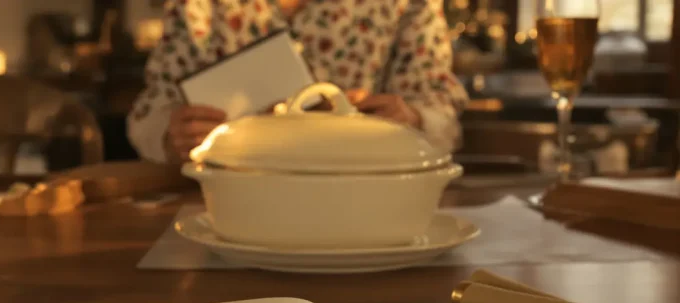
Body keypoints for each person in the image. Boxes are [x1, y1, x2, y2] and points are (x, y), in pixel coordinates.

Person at [128, 0, 469, 164]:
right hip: (232, 203)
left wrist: (410, 119)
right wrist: (171, 135)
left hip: (364, 198)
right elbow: (152, 109)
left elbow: (439, 105)